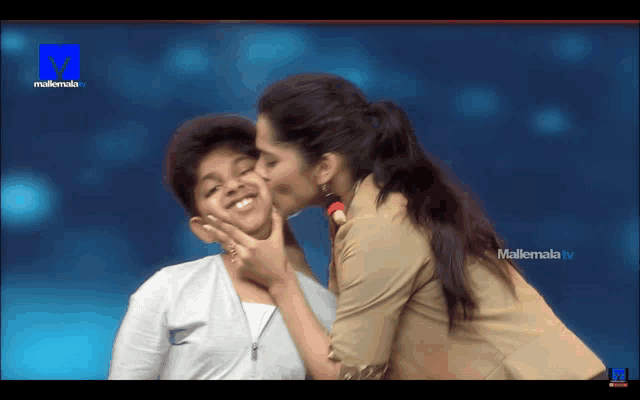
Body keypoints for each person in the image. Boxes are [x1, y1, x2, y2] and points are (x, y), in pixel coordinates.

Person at [204, 73, 608, 380]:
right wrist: (286, 253)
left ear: (325, 167)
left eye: (270, 160)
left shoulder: (380, 229)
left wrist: (280, 283)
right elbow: (343, 331)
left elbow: (349, 373)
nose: (259, 173)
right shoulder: (363, 208)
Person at [108, 114, 337, 380]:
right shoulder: (167, 290)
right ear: (202, 228)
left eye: (245, 170)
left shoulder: (323, 306)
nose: (233, 186)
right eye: (212, 188)